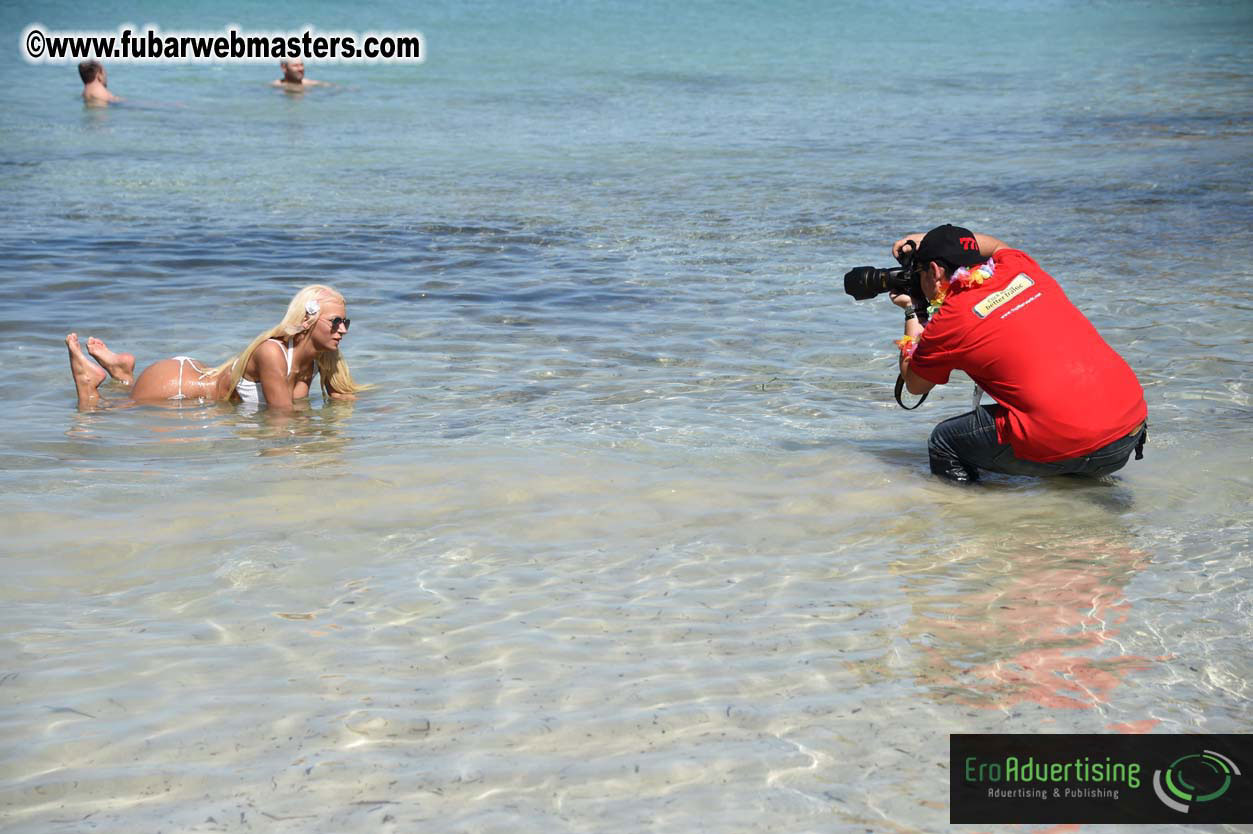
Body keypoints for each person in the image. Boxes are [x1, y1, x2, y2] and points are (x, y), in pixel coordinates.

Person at [889, 224, 1147, 483]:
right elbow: (996, 245)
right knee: (1051, 419)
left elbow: (915, 383)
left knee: (944, 440)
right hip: (1130, 427)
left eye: (919, 272)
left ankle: (969, 517)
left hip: (1077, 443)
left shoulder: (950, 320)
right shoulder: (1020, 267)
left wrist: (913, 310)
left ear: (934, 271)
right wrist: (925, 240)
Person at [65, 285, 361, 411]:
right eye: (335, 322)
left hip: (194, 375)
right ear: (307, 320)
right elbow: (281, 416)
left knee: (128, 394)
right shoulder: (271, 352)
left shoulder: (320, 359)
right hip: (174, 384)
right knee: (105, 412)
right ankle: (89, 384)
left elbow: (344, 399)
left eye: (345, 321)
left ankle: (123, 373)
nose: (343, 329)